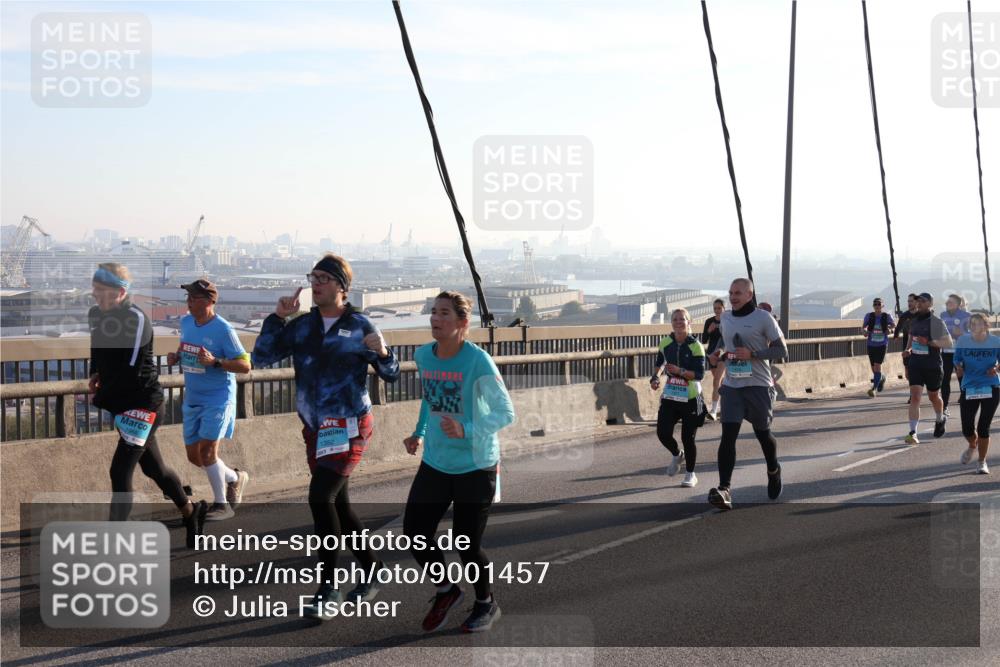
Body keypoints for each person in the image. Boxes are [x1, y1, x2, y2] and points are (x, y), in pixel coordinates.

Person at [252, 254, 400, 620]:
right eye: (312, 277)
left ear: (341, 286)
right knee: (339, 505)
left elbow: (391, 373)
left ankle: (328, 588)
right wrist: (277, 318)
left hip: (350, 425)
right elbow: (262, 356)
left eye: (322, 278)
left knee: (320, 497)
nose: (315, 284)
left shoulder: (360, 324)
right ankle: (373, 568)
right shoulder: (302, 326)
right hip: (316, 429)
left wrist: (383, 352)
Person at [403, 291, 515, 633]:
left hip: (476, 464)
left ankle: (486, 602)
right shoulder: (424, 355)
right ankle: (446, 590)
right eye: (434, 312)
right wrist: (419, 432)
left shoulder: (477, 361)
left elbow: (505, 412)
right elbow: (430, 398)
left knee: (465, 543)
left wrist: (466, 428)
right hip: (436, 460)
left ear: (462, 324)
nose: (436, 319)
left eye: (445, 314)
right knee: (415, 533)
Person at [88, 263, 207, 546]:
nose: (95, 296)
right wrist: (95, 373)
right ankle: (191, 511)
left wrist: (105, 392)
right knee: (155, 469)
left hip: (142, 404)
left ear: (120, 291)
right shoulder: (96, 315)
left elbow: (129, 366)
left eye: (101, 291)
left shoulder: (136, 318)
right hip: (121, 403)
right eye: (94, 290)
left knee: (120, 471)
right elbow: (98, 348)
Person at [166, 279, 251, 521]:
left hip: (218, 397)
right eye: (188, 298)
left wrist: (216, 362)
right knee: (194, 457)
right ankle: (235, 478)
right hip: (193, 397)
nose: (189, 303)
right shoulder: (186, 322)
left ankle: (222, 504)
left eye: (193, 298)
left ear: (208, 301)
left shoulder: (224, 330)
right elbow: (186, 347)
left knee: (207, 452)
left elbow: (245, 365)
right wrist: (176, 356)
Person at [706, 278, 788, 511]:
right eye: (731, 292)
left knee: (763, 434)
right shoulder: (727, 318)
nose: (733, 297)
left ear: (749, 295)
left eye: (738, 293)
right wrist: (718, 352)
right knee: (728, 434)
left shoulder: (764, 318)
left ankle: (773, 470)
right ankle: (725, 489)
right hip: (732, 386)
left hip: (758, 386)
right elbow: (725, 339)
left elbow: (782, 349)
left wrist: (752, 354)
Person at [651, 308, 706, 488]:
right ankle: (677, 454)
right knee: (662, 432)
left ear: (689, 323)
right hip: (671, 395)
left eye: (682, 319)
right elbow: (660, 363)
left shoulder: (695, 345)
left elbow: (699, 374)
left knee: (688, 437)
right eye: (675, 319)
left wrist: (680, 371)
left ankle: (690, 474)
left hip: (691, 396)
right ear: (671, 322)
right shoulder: (665, 342)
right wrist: (655, 377)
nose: (678, 322)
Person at [902, 293, 953, 443]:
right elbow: (912, 338)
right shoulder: (915, 320)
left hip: (932, 366)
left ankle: (939, 418)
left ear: (931, 303)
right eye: (918, 301)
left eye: (923, 301)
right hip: (916, 364)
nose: (919, 303)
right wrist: (908, 350)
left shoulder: (936, 322)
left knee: (933, 397)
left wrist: (929, 343)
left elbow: (948, 343)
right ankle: (913, 433)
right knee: (915, 397)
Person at [953, 313, 999, 474]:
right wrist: (958, 366)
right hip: (970, 386)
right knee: (967, 428)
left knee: (983, 427)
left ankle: (981, 461)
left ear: (986, 326)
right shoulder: (963, 341)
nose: (974, 327)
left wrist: (996, 368)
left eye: (978, 324)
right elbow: (956, 358)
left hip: (990, 386)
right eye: (972, 324)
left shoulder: (995, 342)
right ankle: (973, 444)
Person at [939, 294, 972, 417]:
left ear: (958, 304)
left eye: (951, 302)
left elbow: (973, 333)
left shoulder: (966, 316)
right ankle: (944, 407)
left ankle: (966, 403)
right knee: (945, 379)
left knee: (961, 378)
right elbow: (940, 331)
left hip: (961, 352)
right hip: (946, 352)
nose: (948, 303)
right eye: (947, 302)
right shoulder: (943, 315)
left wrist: (961, 333)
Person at [862, 298, 895, 398]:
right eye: (875, 304)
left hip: (882, 345)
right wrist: (864, 331)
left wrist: (891, 330)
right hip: (871, 345)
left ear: (882, 306)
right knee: (874, 369)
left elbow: (893, 325)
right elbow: (863, 327)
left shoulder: (886, 316)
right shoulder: (869, 316)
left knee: (877, 366)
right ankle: (882, 378)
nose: (877, 305)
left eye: (879, 304)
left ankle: (874, 389)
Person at [701, 299, 726, 419]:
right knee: (721, 382)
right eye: (715, 308)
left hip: (724, 354)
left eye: (719, 308)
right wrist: (709, 330)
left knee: (717, 381)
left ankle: (714, 410)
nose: (717, 311)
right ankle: (725, 406)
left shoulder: (728, 320)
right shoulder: (709, 321)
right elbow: (704, 340)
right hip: (711, 355)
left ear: (724, 308)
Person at [894, 293, 919, 389]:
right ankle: (913, 390)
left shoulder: (921, 315)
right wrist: (896, 337)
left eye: (911, 301)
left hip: (919, 346)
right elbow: (898, 327)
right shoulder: (905, 315)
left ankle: (914, 393)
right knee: (908, 373)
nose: (909, 303)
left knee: (916, 371)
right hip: (906, 346)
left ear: (917, 302)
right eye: (908, 301)